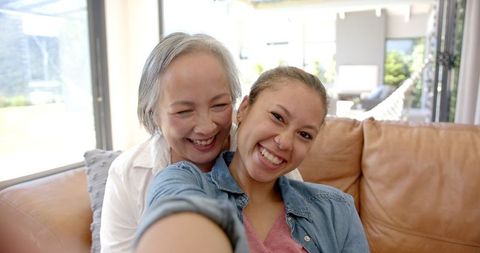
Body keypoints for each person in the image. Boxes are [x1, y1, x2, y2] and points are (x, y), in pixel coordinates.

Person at [100, 32, 303, 253]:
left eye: (219, 105)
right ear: (153, 113)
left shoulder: (269, 157)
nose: (206, 127)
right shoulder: (128, 174)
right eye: (184, 111)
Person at [135, 66, 370, 253]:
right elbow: (175, 216)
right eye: (277, 117)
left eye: (304, 135)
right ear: (244, 109)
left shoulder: (337, 210)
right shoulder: (183, 180)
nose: (286, 142)